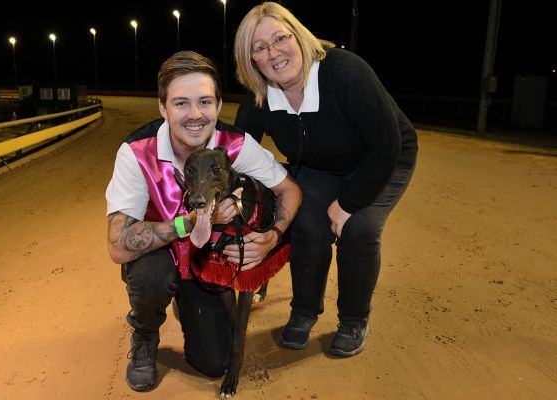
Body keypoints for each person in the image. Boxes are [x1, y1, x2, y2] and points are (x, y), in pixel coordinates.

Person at [105, 50, 301, 392]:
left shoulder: (236, 144)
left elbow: (289, 190)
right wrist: (189, 222)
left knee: (214, 364)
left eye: (205, 102)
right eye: (181, 103)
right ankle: (146, 334)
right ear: (163, 108)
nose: (195, 115)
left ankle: (188, 303)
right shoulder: (137, 151)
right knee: (149, 274)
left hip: (206, 264)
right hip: (162, 255)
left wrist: (273, 235)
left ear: (218, 104)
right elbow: (118, 245)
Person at [233, 2, 418, 357]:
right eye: (259, 47)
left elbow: (386, 144)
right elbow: (237, 150)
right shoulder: (261, 97)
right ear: (251, 60)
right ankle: (304, 312)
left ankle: (353, 319)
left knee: (359, 228)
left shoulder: (345, 73)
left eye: (280, 38)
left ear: (298, 36)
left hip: (382, 156)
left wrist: (348, 204)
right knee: (307, 222)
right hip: (321, 164)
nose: (273, 52)